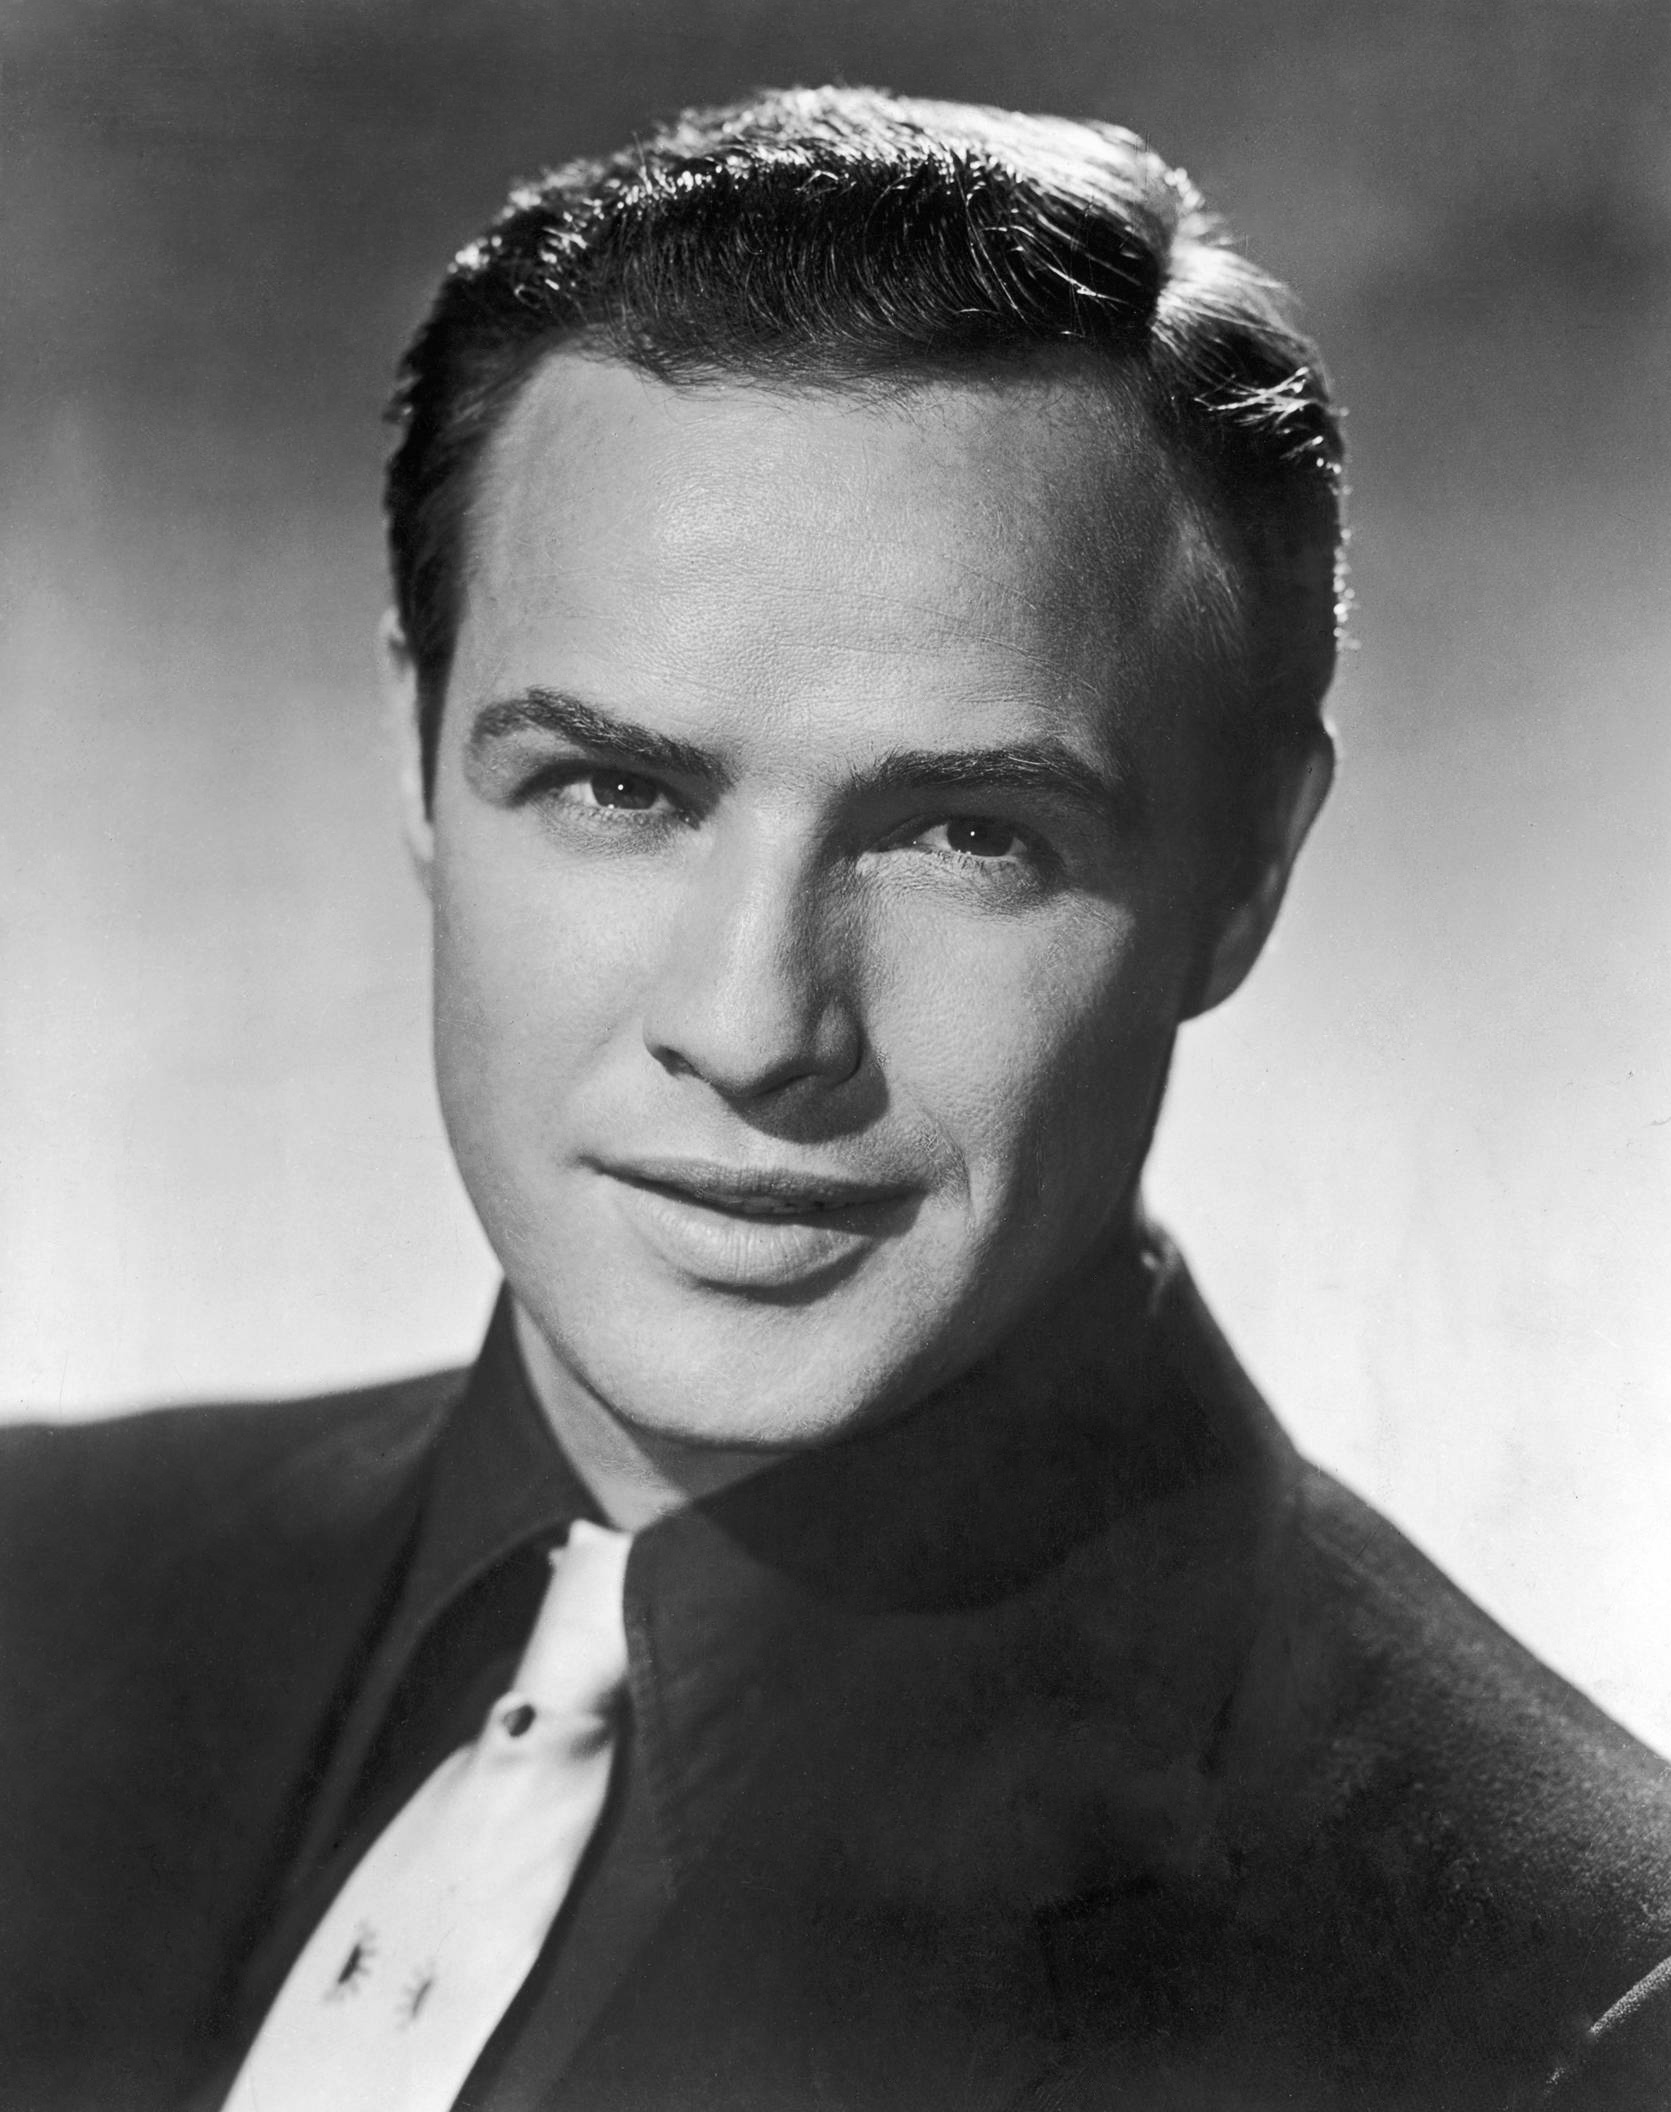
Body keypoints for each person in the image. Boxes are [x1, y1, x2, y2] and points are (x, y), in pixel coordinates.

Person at [1, 85, 1667, 2112]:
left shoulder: (1559, 2005)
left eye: (969, 833)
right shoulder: (35, 1575)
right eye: (617, 788)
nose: (752, 1024)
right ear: (418, 755)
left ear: (1244, 875)